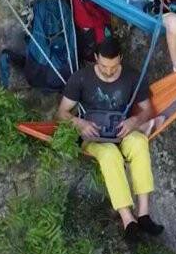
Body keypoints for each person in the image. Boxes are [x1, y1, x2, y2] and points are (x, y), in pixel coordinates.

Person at [57, 38, 164, 242]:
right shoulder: (81, 78)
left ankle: (143, 214)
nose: (108, 71)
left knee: (140, 143)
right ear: (96, 58)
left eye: (113, 66)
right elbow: (62, 113)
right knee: (109, 155)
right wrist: (80, 124)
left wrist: (134, 120)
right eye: (104, 66)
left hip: (121, 130)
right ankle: (128, 220)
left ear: (120, 59)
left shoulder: (132, 77)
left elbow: (148, 109)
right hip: (94, 136)